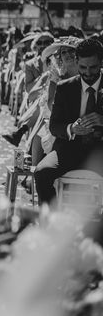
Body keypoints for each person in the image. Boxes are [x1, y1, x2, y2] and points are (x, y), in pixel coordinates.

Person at [34, 38, 103, 204]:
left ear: (101, 62)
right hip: (69, 149)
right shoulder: (65, 87)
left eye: (93, 67)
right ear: (76, 62)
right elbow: (54, 126)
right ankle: (53, 223)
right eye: (83, 67)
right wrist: (71, 128)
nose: (87, 72)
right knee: (41, 172)